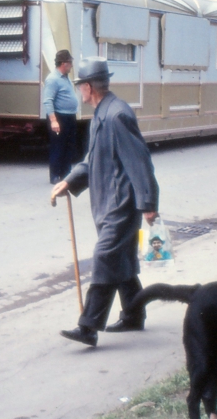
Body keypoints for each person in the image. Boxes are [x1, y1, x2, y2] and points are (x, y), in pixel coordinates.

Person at [51, 58, 159, 347]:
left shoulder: (116, 115)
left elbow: (139, 161)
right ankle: (134, 315)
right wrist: (70, 181)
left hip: (121, 205)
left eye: (79, 87)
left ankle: (88, 327)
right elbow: (93, 159)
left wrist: (148, 202)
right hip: (108, 202)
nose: (78, 92)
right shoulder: (102, 114)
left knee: (104, 258)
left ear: (88, 87)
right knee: (120, 261)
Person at [42, 49, 79, 184]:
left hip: (70, 116)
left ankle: (65, 174)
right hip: (59, 117)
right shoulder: (52, 79)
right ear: (64, 63)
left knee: (69, 147)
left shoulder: (65, 77)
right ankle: (55, 176)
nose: (71, 65)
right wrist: (53, 121)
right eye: (70, 62)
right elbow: (48, 100)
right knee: (58, 146)